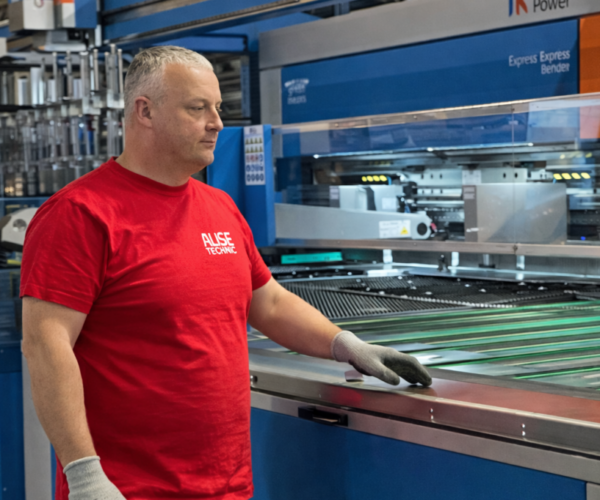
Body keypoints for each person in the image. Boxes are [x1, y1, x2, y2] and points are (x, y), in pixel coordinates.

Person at [20, 46, 432, 500]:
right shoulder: (80, 215)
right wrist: (85, 476)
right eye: (197, 108)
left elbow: (268, 302)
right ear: (145, 111)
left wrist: (346, 345)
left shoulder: (219, 207)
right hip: (127, 488)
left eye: (218, 108)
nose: (216, 122)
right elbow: (46, 346)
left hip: (226, 483)